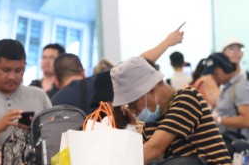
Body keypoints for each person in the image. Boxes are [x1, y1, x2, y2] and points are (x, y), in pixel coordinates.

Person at [110, 55, 234, 165]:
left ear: (150, 91)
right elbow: (144, 159)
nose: (132, 111)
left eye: (132, 104)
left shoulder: (187, 99)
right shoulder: (152, 121)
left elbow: (154, 148)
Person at [52, 26, 184, 112]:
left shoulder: (54, 101)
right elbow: (139, 63)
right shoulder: (100, 81)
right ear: (83, 72)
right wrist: (167, 42)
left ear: (57, 82)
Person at [204, 52, 249, 144]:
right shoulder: (229, 88)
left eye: (214, 74)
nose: (213, 78)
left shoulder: (241, 87)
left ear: (221, 70)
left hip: (237, 144)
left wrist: (218, 120)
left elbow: (248, 120)